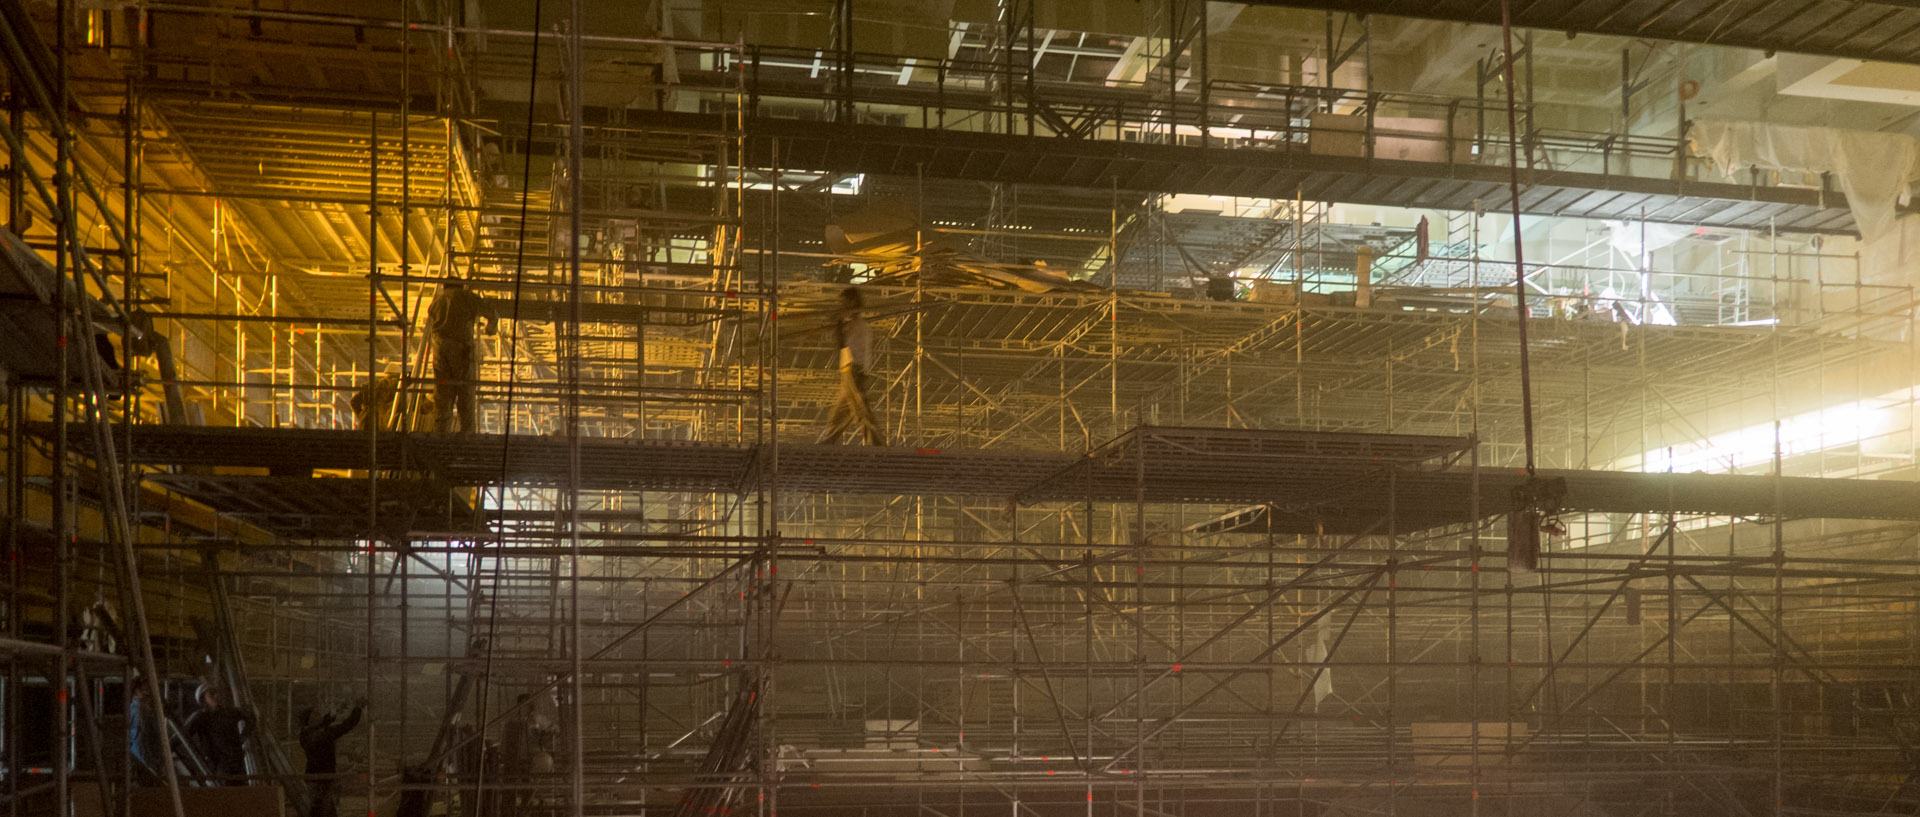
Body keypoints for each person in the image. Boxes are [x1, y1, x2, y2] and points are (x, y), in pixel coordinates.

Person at [817, 287, 887, 446]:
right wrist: (840, 322)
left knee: (861, 409)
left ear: (852, 302)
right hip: (850, 369)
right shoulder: (856, 324)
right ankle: (828, 441)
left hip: (853, 369)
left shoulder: (857, 325)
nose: (842, 304)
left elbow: (842, 345)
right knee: (841, 413)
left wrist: (839, 324)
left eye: (844, 301)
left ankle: (875, 444)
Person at [427, 279, 498, 433]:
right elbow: (490, 310)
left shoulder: (436, 303)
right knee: (465, 391)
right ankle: (466, 436)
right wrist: (491, 327)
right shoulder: (466, 297)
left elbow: (432, 320)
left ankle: (441, 436)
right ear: (461, 286)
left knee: (443, 393)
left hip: (440, 351)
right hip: (461, 350)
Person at [299, 699, 365, 817]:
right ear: (309, 720)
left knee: (322, 809)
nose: (319, 715)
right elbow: (346, 726)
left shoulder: (307, 733)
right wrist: (357, 709)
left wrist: (338, 710)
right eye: (315, 714)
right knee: (323, 810)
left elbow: (324, 722)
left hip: (316, 778)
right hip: (322, 779)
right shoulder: (319, 735)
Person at [183, 686, 251, 784]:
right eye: (211, 694)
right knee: (220, 792)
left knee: (239, 792)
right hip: (216, 764)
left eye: (216, 692)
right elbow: (182, 735)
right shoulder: (200, 717)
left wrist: (242, 737)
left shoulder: (230, 712)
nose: (216, 696)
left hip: (235, 762)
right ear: (203, 699)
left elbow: (251, 718)